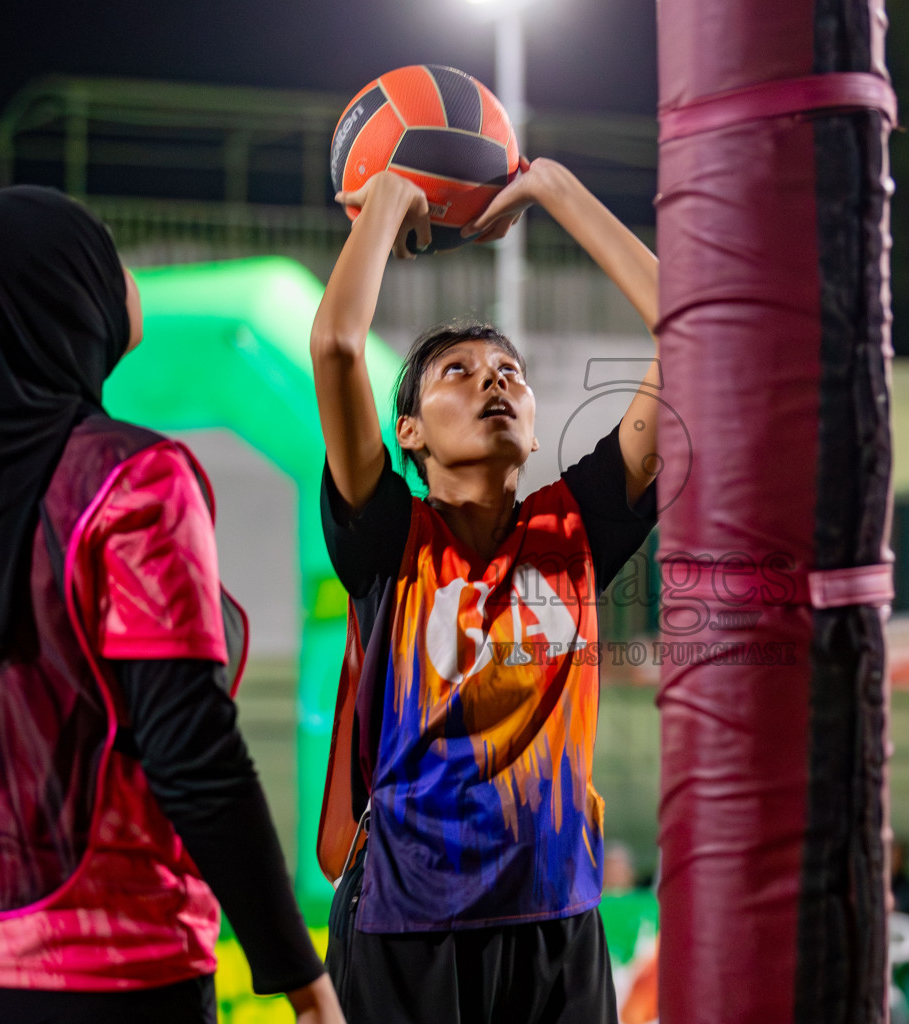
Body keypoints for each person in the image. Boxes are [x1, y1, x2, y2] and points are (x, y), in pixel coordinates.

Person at [0, 187, 341, 1024]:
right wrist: (300, 979)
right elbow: (190, 749)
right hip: (102, 967)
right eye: (106, 254)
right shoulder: (130, 482)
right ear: (63, 295)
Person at [310, 156, 659, 1022]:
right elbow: (336, 344)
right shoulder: (389, 538)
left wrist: (552, 190)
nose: (493, 380)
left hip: (558, 923)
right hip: (406, 925)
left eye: (508, 370)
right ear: (409, 434)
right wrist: (389, 195)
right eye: (456, 374)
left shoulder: (578, 526)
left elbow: (697, 331)